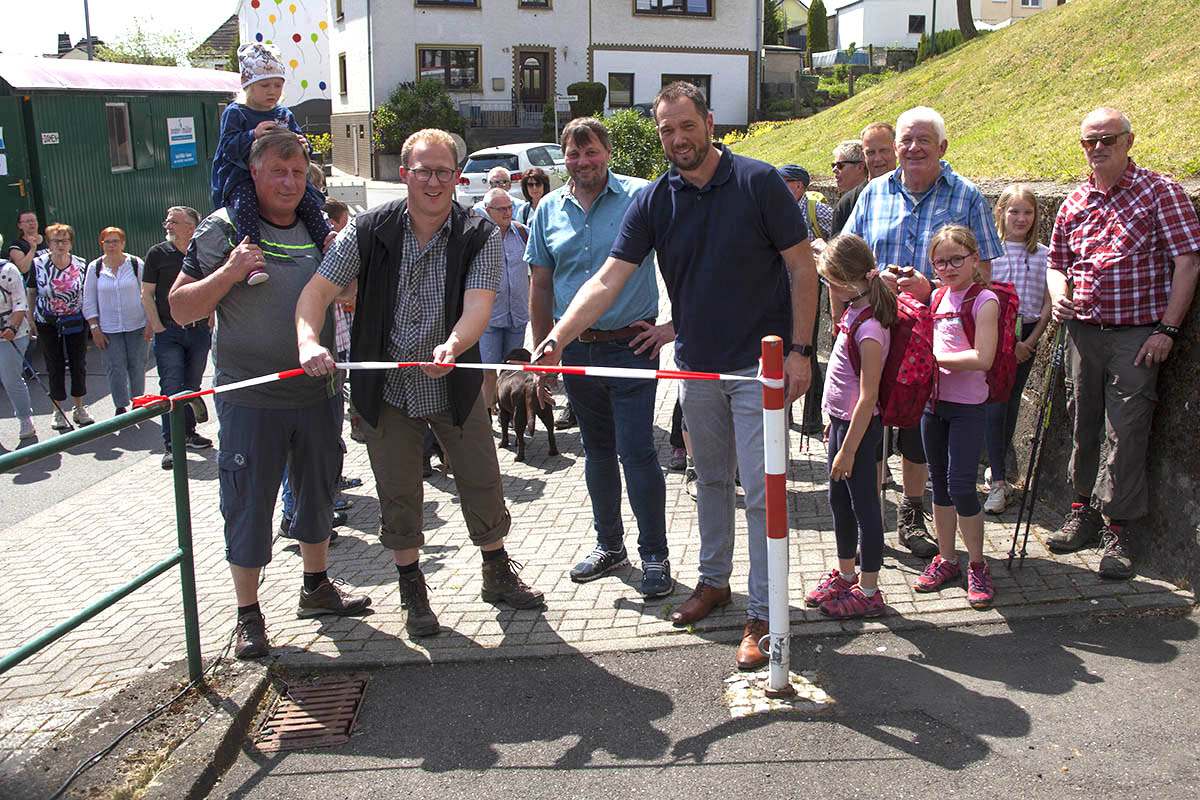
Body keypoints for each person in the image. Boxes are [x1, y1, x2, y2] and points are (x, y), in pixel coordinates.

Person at [533, 83, 818, 670]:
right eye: (667, 130)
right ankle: (714, 583)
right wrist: (558, 336)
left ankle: (763, 614)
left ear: (710, 122)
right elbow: (609, 279)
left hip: (759, 371)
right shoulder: (654, 200)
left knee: (764, 497)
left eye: (686, 126)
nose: (678, 139)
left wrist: (801, 351)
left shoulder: (758, 181)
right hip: (697, 366)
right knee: (709, 481)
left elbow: (802, 268)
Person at [295, 127, 545, 639]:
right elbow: (315, 294)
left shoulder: (478, 232)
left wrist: (453, 346)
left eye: (444, 172)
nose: (434, 181)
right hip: (385, 389)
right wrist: (307, 342)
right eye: (423, 171)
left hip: (452, 382)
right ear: (404, 174)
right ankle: (413, 590)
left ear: (458, 176)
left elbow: (478, 305)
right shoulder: (367, 229)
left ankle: (496, 572)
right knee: (399, 490)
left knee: (481, 477)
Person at [170, 130, 372, 661]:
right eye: (277, 172)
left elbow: (346, 295)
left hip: (317, 391)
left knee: (317, 495)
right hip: (250, 398)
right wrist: (231, 270)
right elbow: (181, 308)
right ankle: (248, 615)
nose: (288, 182)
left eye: (298, 173)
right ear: (254, 173)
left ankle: (316, 588)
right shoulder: (223, 228)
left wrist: (343, 270)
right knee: (248, 506)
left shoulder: (317, 228)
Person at [1045, 107, 1200, 580]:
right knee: (1081, 422)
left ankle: (1119, 528)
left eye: (1107, 138)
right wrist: (1059, 297)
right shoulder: (1074, 201)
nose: (1097, 148)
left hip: (1136, 335)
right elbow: (1055, 263)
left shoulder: (1161, 192)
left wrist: (1167, 330)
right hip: (1083, 331)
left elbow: (1188, 263)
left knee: (1127, 431)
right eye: (1089, 141)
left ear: (1129, 141)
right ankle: (1082, 511)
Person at [524, 116, 673, 599]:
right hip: (575, 351)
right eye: (573, 154)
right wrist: (544, 348)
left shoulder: (641, 196)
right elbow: (540, 285)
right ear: (563, 158)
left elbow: (683, 263)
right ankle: (610, 546)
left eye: (591, 152)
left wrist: (674, 328)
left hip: (632, 347)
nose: (583, 162)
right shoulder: (547, 208)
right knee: (596, 452)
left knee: (638, 451)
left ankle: (655, 555)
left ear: (607, 152)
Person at [847, 106, 1003, 558]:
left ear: (943, 147)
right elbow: (847, 262)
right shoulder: (873, 192)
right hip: (875, 331)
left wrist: (930, 286)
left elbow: (985, 275)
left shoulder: (968, 196)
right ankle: (868, 515)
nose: (913, 148)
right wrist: (876, 281)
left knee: (916, 430)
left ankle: (912, 512)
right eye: (906, 141)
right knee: (870, 421)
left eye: (923, 141)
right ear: (894, 146)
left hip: (933, 339)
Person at [805, 234, 894, 619]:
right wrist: (834, 428)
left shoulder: (871, 327)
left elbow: (868, 396)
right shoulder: (854, 312)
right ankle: (846, 573)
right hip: (842, 425)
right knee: (839, 503)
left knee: (865, 510)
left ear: (846, 280)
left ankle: (869, 589)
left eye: (829, 280)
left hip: (858, 432)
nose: (827, 286)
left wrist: (848, 449)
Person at [914, 225, 999, 609]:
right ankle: (947, 559)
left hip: (967, 408)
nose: (948, 268)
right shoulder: (936, 298)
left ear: (974, 257)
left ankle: (977, 565)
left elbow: (983, 357)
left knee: (962, 485)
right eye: (940, 262)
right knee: (939, 485)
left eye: (956, 260)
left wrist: (932, 361)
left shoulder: (985, 301)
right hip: (934, 406)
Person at [210, 42, 331, 285]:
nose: (272, 91)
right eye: (264, 85)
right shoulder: (237, 113)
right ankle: (252, 259)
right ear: (248, 85)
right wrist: (252, 135)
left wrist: (302, 144)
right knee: (246, 205)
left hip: (280, 173)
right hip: (242, 175)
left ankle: (328, 245)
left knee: (308, 200)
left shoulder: (284, 114)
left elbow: (300, 140)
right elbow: (228, 148)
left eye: (278, 85)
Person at [982, 185, 1051, 513]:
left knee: (1010, 405)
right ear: (1000, 213)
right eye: (1014, 211)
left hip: (1026, 339)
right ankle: (998, 478)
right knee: (994, 406)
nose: (1021, 218)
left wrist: (1029, 342)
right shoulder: (989, 253)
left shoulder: (1044, 255)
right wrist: (1001, 344)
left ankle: (998, 471)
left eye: (1027, 212)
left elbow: (1048, 306)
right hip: (995, 339)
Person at [143, 207, 213, 469]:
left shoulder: (203, 252)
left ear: (191, 227)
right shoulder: (157, 254)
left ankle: (189, 433)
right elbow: (147, 294)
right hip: (169, 333)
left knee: (192, 387)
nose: (168, 226)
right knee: (172, 388)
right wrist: (158, 327)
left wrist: (212, 315)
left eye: (174, 222)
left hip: (197, 331)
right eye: (167, 222)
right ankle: (172, 444)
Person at [778, 164, 828, 434]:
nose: (778, 186)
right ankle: (783, 413)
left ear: (798, 185)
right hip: (779, 291)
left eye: (783, 181)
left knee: (804, 350)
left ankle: (812, 419)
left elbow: (838, 240)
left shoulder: (816, 210)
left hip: (809, 290)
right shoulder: (775, 208)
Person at [82, 227, 152, 417]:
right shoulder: (95, 268)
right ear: (101, 244)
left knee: (137, 364)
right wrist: (94, 328)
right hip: (109, 329)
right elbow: (88, 300)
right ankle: (121, 406)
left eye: (115, 241)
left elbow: (148, 295)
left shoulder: (136, 264)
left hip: (136, 325)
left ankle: (138, 403)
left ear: (123, 243)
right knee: (115, 366)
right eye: (107, 241)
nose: (111, 245)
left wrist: (150, 322)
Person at [29, 223, 93, 429]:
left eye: (65, 240)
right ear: (48, 243)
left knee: (78, 363)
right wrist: (31, 319)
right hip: (48, 322)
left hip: (75, 320)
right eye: (56, 241)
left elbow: (87, 292)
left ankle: (79, 407)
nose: (60, 245)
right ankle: (57, 410)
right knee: (54, 365)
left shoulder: (81, 264)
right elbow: (31, 292)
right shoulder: (38, 264)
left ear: (71, 243)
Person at [0, 235, 36, 440]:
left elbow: (20, 304)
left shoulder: (8, 271)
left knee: (10, 377)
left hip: (11, 333)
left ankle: (25, 420)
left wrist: (12, 327)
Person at [778, 165, 832, 245]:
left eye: (781, 181)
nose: (776, 185)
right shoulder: (774, 210)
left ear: (798, 186)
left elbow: (842, 241)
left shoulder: (819, 211)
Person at [829, 140, 869, 236]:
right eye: (833, 165)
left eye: (840, 165)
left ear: (860, 167)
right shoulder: (845, 202)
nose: (834, 170)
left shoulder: (872, 195)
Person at [8, 210, 46, 276]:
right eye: (27, 221)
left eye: (33, 220)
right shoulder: (17, 245)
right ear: (20, 225)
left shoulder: (48, 239)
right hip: (32, 284)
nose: (31, 223)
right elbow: (23, 269)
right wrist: (32, 249)